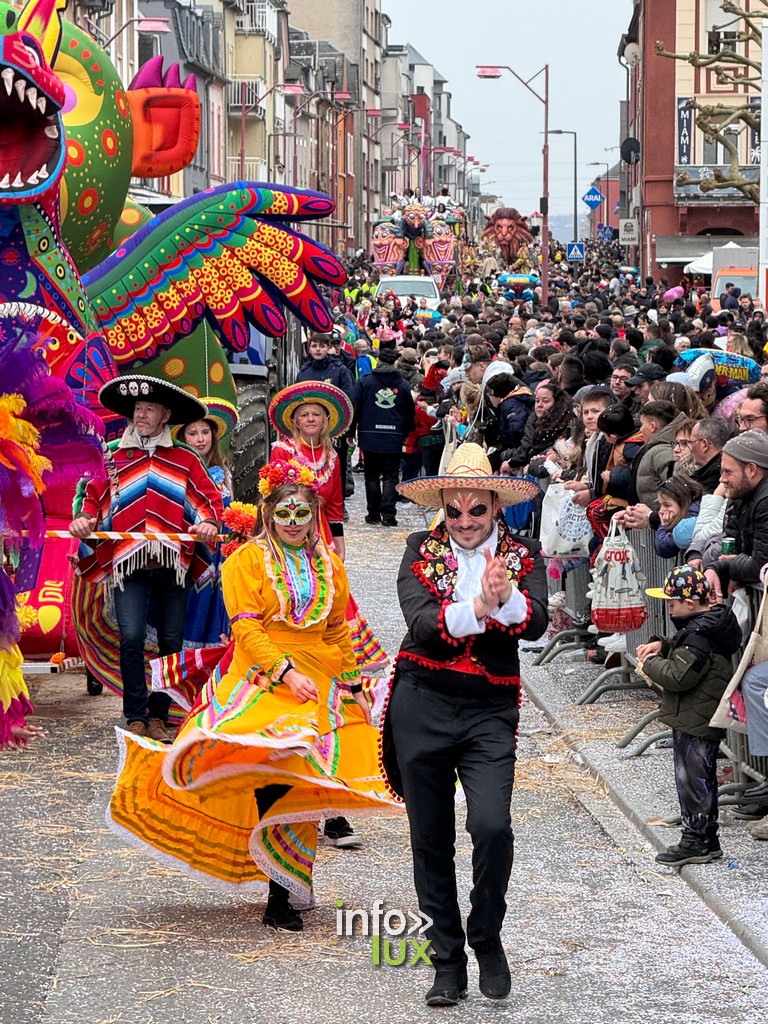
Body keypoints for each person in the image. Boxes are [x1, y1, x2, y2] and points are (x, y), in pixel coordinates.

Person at [108, 461, 400, 931]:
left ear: (314, 516)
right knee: (273, 767)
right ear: (268, 513)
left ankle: (286, 885)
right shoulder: (247, 560)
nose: (291, 521)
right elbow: (245, 627)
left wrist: (351, 684)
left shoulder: (329, 564)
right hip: (263, 675)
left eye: (301, 512)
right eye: (283, 512)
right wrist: (284, 673)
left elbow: (338, 631)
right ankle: (279, 892)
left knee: (309, 779)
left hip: (319, 677)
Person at [382, 444, 547, 1006]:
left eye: (478, 510)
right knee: (430, 840)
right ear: (443, 510)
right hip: (422, 704)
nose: (466, 521)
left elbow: (538, 624)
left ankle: (487, 935)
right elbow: (423, 626)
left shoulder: (523, 555)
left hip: (489, 710)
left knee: (493, 827)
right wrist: (478, 606)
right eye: (455, 511)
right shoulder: (417, 550)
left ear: (496, 508)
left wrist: (508, 601)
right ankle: (446, 961)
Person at [69, 376, 223, 742]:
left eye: (149, 408)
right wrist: (86, 519)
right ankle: (135, 714)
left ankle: (159, 715)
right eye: (137, 409)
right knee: (133, 637)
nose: (141, 414)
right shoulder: (113, 455)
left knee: (170, 641)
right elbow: (93, 496)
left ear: (165, 414)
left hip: (173, 566)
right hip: (128, 566)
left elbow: (209, 500)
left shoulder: (184, 458)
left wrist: (208, 522)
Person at [637, 567, 741, 866]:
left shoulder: (698, 636)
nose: (669, 608)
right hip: (698, 713)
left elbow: (679, 676)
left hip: (695, 716)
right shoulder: (707, 626)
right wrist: (665, 644)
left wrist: (651, 664)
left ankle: (696, 841)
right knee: (699, 777)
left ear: (691, 605)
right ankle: (706, 839)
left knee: (693, 780)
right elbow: (688, 652)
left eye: (672, 603)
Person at [350, 345, 415, 527]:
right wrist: (405, 432)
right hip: (393, 434)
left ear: (378, 361)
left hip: (369, 433)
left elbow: (355, 407)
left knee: (371, 476)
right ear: (396, 362)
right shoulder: (403, 385)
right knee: (391, 476)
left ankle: (373, 513)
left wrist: (351, 431)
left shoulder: (365, 381)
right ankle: (388, 515)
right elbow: (409, 412)